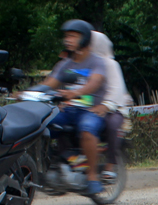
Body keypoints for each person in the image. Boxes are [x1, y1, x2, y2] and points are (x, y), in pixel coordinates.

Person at [41, 20, 109, 195]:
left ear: (84, 38)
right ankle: (49, 164)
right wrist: (27, 93)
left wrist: (75, 92)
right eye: (66, 36)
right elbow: (50, 83)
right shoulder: (65, 63)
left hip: (90, 110)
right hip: (68, 110)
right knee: (40, 124)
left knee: (87, 130)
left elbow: (95, 82)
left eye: (72, 36)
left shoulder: (96, 61)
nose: (67, 40)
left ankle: (92, 175)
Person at [89, 31, 132, 182]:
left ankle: (109, 165)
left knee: (112, 125)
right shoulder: (86, 64)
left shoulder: (111, 65)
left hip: (114, 108)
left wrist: (105, 106)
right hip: (90, 107)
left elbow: (116, 90)